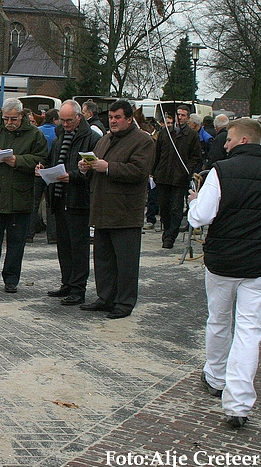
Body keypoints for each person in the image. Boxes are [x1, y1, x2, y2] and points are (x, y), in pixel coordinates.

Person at [187, 117, 261, 429]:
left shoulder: (221, 170)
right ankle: (239, 402)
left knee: (219, 320)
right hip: (258, 264)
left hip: (222, 262)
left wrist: (194, 202)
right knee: (249, 331)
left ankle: (216, 377)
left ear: (243, 140)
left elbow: (200, 217)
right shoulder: (223, 167)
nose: (225, 144)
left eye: (229, 139)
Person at [79, 100, 154, 319]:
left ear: (130, 119)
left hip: (125, 211)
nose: (113, 121)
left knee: (126, 262)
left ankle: (124, 302)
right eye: (111, 118)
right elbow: (96, 167)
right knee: (103, 260)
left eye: (118, 117)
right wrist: (87, 168)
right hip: (102, 209)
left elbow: (139, 171)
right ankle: (105, 297)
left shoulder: (143, 141)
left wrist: (109, 167)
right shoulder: (105, 139)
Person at [0, 98, 47, 293]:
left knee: (16, 244)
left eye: (13, 119)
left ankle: (11, 279)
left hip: (20, 198)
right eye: (6, 119)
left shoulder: (34, 135)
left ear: (22, 116)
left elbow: (41, 158)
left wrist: (19, 161)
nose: (9, 123)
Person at [37, 100, 101, 306]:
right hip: (59, 197)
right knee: (63, 245)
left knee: (78, 246)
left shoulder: (91, 138)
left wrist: (72, 176)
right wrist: (43, 167)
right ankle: (67, 282)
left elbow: (92, 170)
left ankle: (78, 288)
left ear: (79, 118)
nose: (64, 124)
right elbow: (51, 159)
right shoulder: (60, 137)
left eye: (69, 120)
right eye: (62, 120)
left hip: (78, 200)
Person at [152, 105, 201, 249]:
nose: (180, 117)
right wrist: (153, 171)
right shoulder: (165, 133)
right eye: (178, 114)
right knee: (164, 207)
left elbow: (195, 156)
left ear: (188, 118)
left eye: (183, 115)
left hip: (180, 178)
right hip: (163, 176)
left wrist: (187, 170)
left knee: (176, 208)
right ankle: (167, 230)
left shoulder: (191, 135)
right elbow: (157, 154)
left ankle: (170, 236)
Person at [28, 110, 60, 243]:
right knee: (50, 204)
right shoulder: (58, 133)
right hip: (51, 171)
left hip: (36, 170)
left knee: (34, 204)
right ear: (54, 119)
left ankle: (28, 234)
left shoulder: (37, 131)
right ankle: (52, 236)